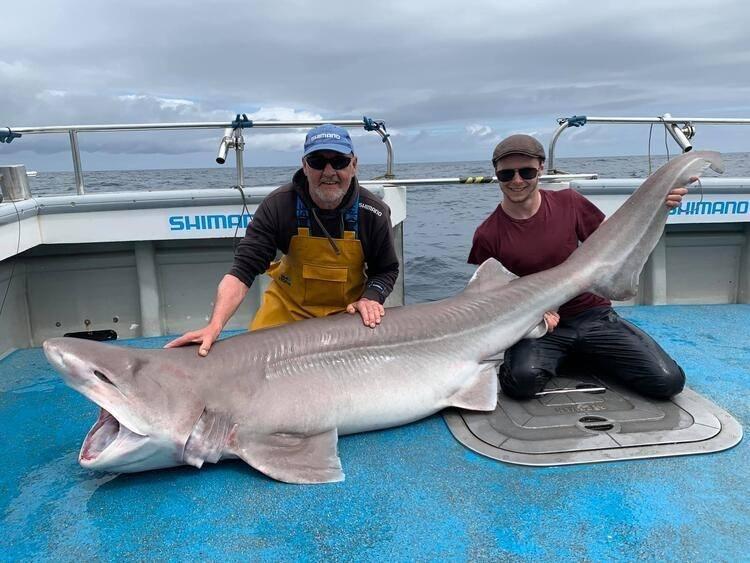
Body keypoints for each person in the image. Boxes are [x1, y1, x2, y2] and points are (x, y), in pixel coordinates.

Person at [468, 134, 689, 400]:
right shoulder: (487, 234)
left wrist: (660, 207)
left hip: (591, 314)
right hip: (539, 326)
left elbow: (616, 243)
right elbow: (490, 297)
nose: (517, 181)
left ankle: (578, 353)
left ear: (540, 168)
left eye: (526, 171)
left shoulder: (569, 203)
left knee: (668, 382)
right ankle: (572, 355)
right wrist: (532, 316)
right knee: (520, 383)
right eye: (507, 175)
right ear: (496, 174)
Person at [166, 124, 399, 356]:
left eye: (339, 161)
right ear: (305, 166)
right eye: (317, 161)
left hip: (347, 312)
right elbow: (242, 271)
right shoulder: (279, 205)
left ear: (354, 165)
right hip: (288, 308)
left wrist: (371, 297)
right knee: (252, 359)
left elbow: (386, 269)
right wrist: (214, 326)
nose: (329, 171)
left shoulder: (373, 212)